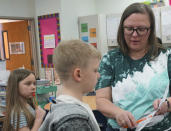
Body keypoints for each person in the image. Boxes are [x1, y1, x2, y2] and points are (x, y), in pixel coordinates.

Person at [95, 3, 171, 131]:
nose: (134, 35)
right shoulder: (111, 59)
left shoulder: (166, 56)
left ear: (150, 30)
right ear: (122, 28)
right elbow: (101, 100)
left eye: (141, 29)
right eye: (129, 28)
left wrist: (168, 103)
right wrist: (117, 113)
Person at [39, 40, 101, 131]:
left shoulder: (61, 107)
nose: (99, 75)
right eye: (95, 70)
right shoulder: (74, 120)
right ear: (78, 74)